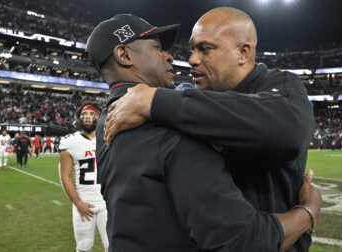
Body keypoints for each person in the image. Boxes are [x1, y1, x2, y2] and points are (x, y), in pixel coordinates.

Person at [87, 14, 321, 251]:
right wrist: (308, 213)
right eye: (191, 49)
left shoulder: (278, 85)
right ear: (124, 55)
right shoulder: (152, 116)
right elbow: (241, 238)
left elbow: (288, 130)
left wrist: (156, 101)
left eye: (205, 49)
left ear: (243, 52)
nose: (191, 59)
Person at [59, 101, 108, 252]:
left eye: (92, 114)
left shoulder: (109, 138)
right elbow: (65, 176)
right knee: (84, 246)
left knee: (112, 245)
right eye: (84, 114)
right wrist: (78, 203)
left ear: (100, 118)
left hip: (107, 201)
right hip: (83, 201)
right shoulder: (70, 142)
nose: (87, 117)